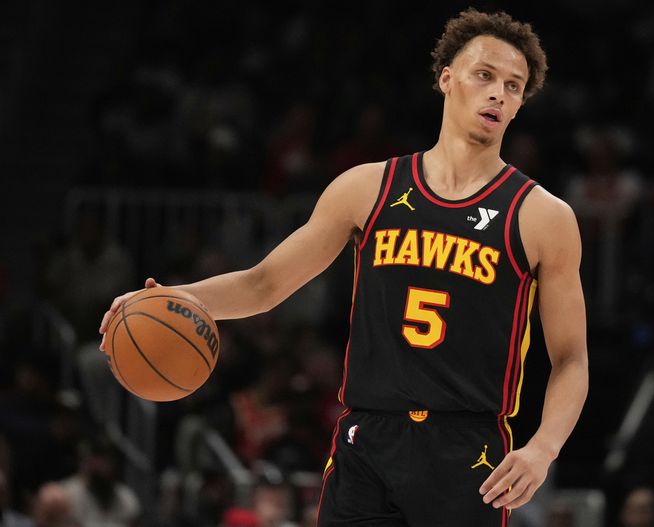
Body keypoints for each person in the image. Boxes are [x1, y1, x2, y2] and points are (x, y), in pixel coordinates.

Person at [99, 8, 588, 526]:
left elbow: (572, 359)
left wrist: (543, 448)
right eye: (484, 75)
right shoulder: (367, 187)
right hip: (367, 441)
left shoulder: (543, 216)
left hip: (468, 449)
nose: (498, 93)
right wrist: (167, 300)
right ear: (447, 78)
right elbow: (264, 284)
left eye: (514, 86)